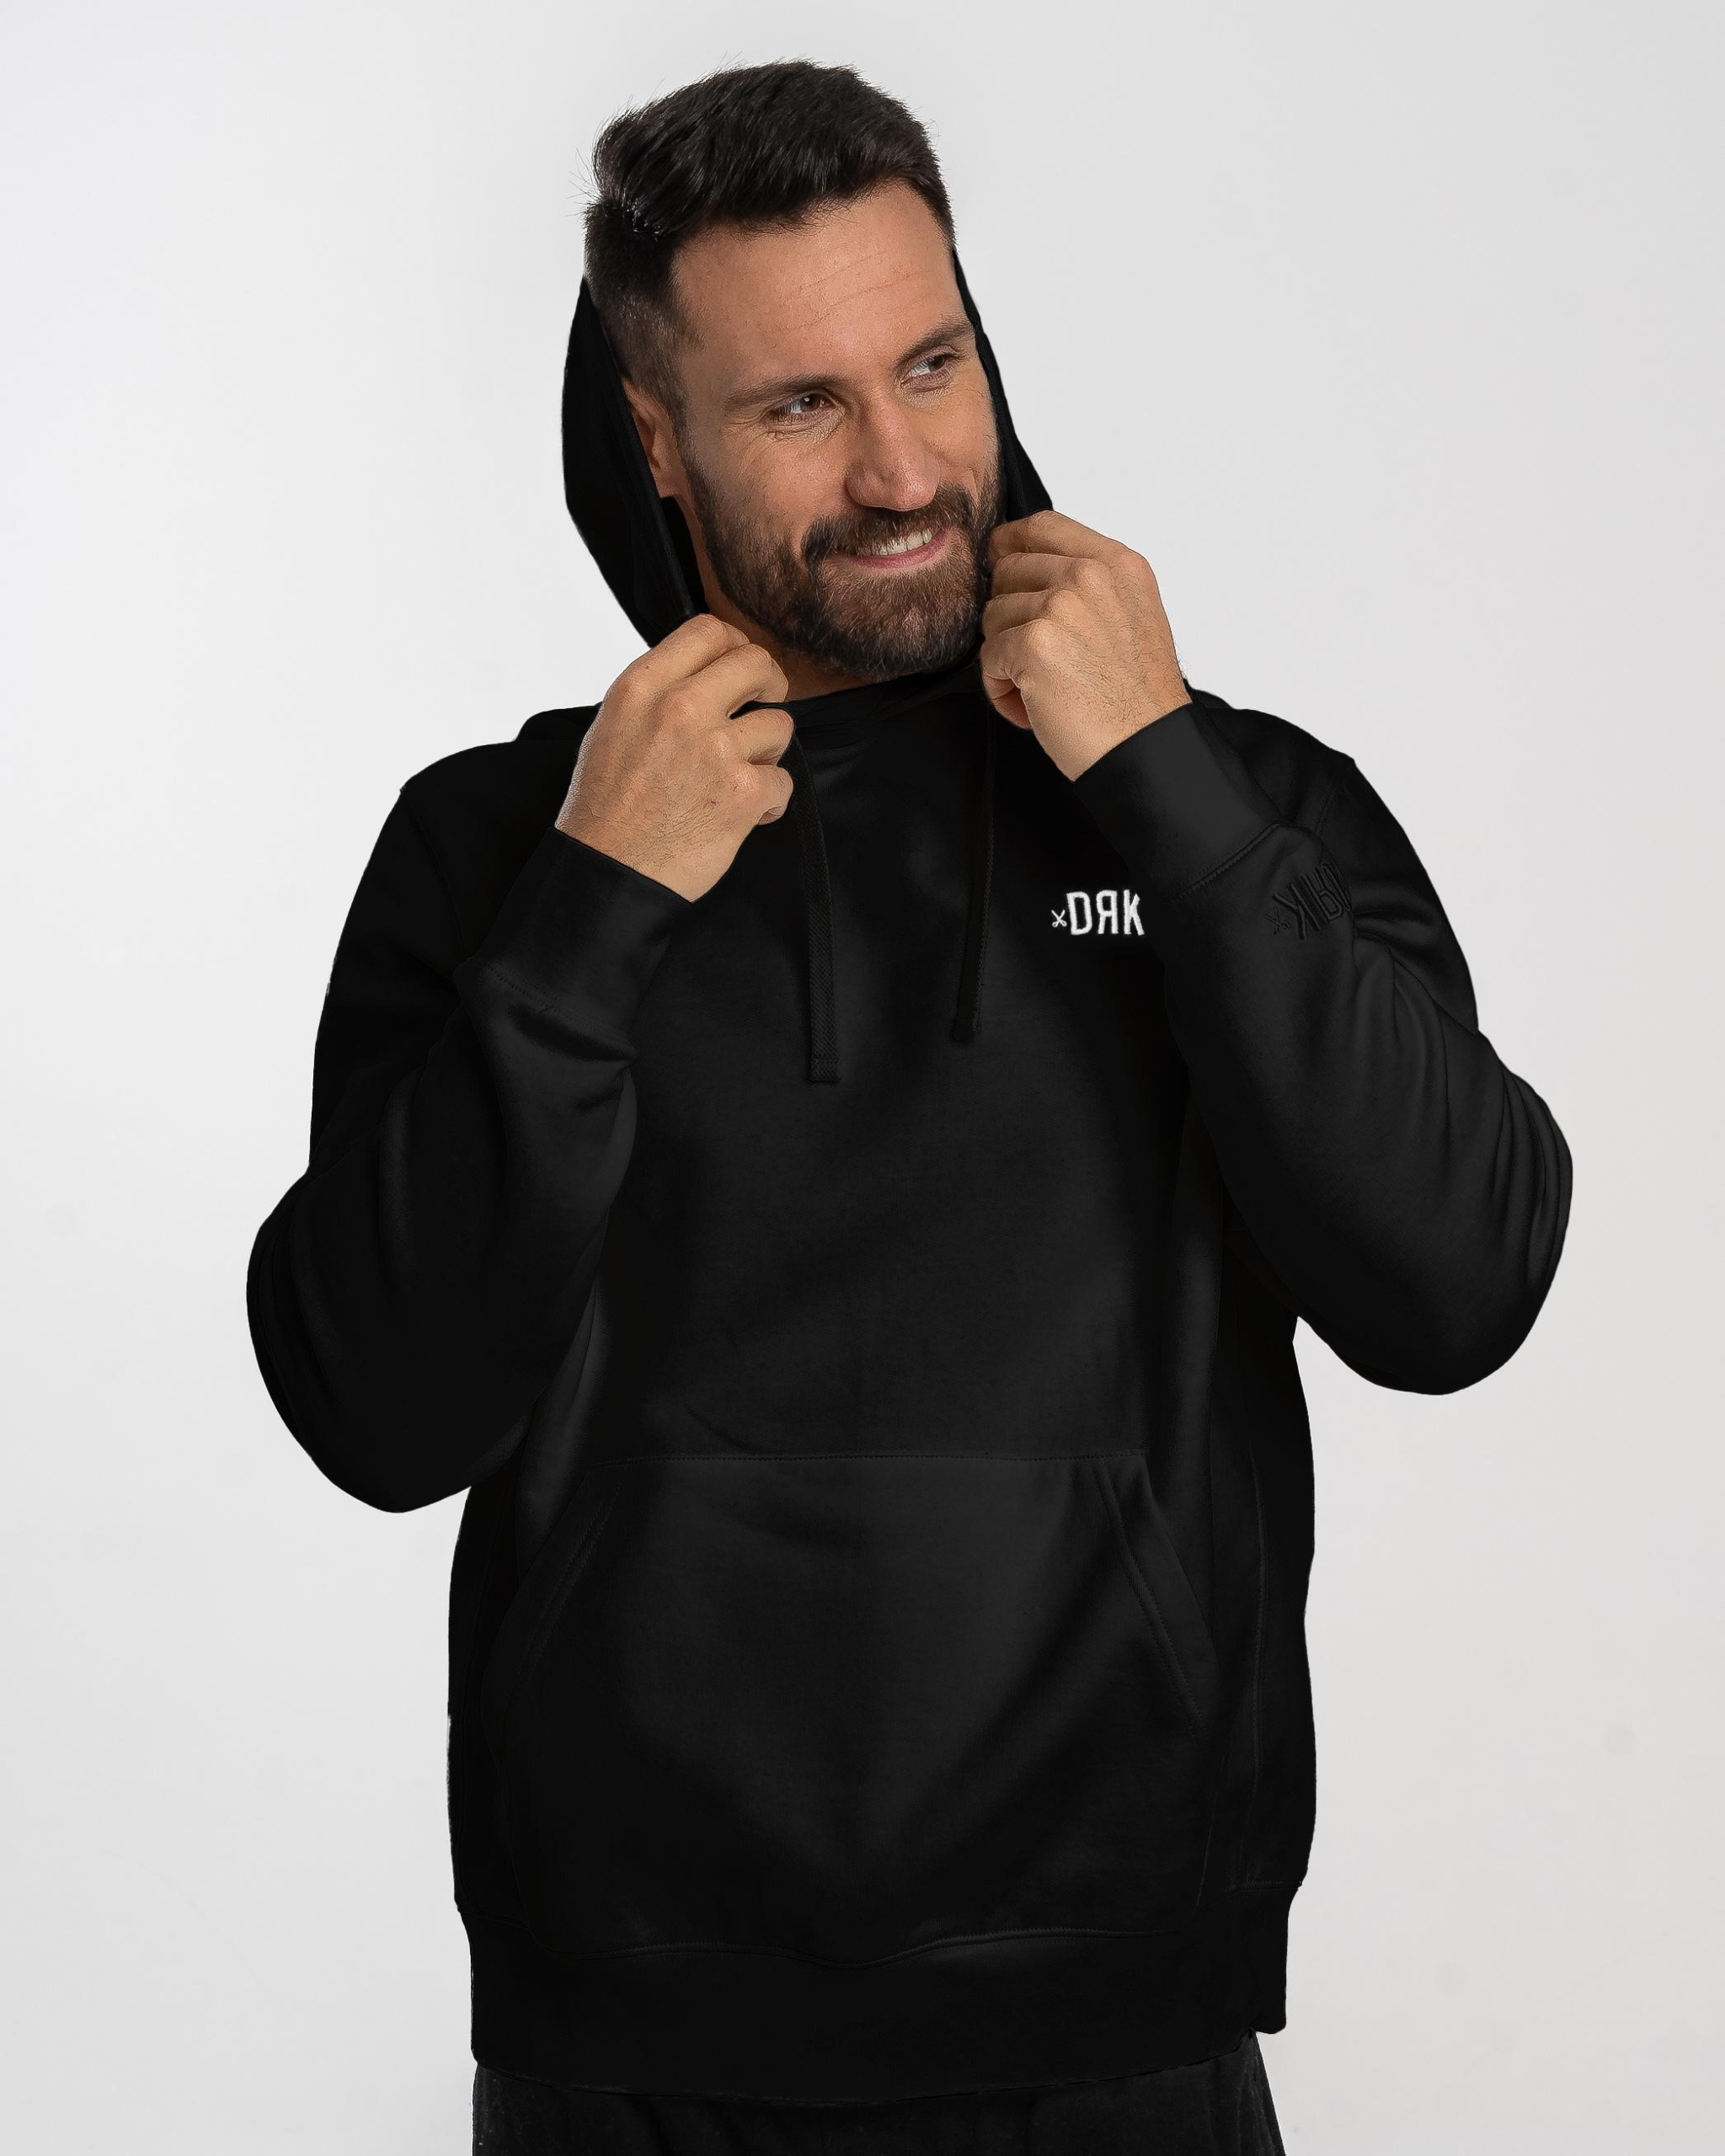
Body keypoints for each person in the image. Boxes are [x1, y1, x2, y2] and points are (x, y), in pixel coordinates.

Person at [244, 60, 1573, 2156]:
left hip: (1118, 2022)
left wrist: (1165, 788)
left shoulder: (1229, 803)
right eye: (800, 404)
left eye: (932, 364)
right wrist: (592, 916)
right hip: (632, 2044)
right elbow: (376, 1410)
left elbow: (1460, 1282)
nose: (898, 469)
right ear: (657, 439)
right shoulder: (508, 846)